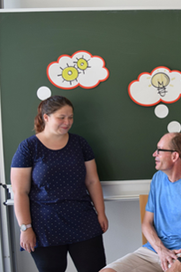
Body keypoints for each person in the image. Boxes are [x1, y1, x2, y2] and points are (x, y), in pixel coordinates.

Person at [10, 95, 108, 272]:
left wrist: (101, 213)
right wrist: (25, 228)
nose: (67, 122)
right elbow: (19, 192)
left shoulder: (80, 143)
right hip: (44, 225)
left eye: (70, 117)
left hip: (82, 220)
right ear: (46, 117)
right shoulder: (28, 147)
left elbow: (92, 181)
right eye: (61, 117)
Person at [101, 132, 181, 272]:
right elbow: (147, 223)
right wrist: (161, 250)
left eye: (159, 150)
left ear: (174, 156)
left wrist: (177, 265)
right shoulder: (157, 179)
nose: (154, 154)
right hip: (153, 250)